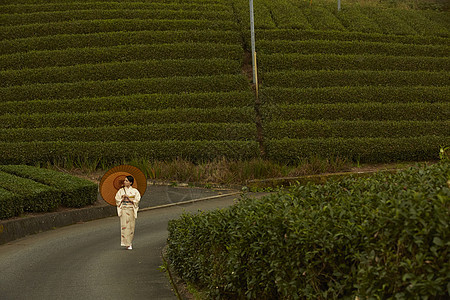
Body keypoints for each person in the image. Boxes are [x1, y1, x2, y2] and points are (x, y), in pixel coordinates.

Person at [115, 175, 141, 250]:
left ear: (130, 182)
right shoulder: (121, 191)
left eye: (126, 181)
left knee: (131, 227)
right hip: (124, 209)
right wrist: (122, 198)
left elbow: (137, 200)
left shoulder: (135, 191)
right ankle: (126, 243)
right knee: (124, 226)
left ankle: (130, 243)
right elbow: (117, 200)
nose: (125, 182)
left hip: (131, 209)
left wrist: (129, 198)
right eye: (125, 180)